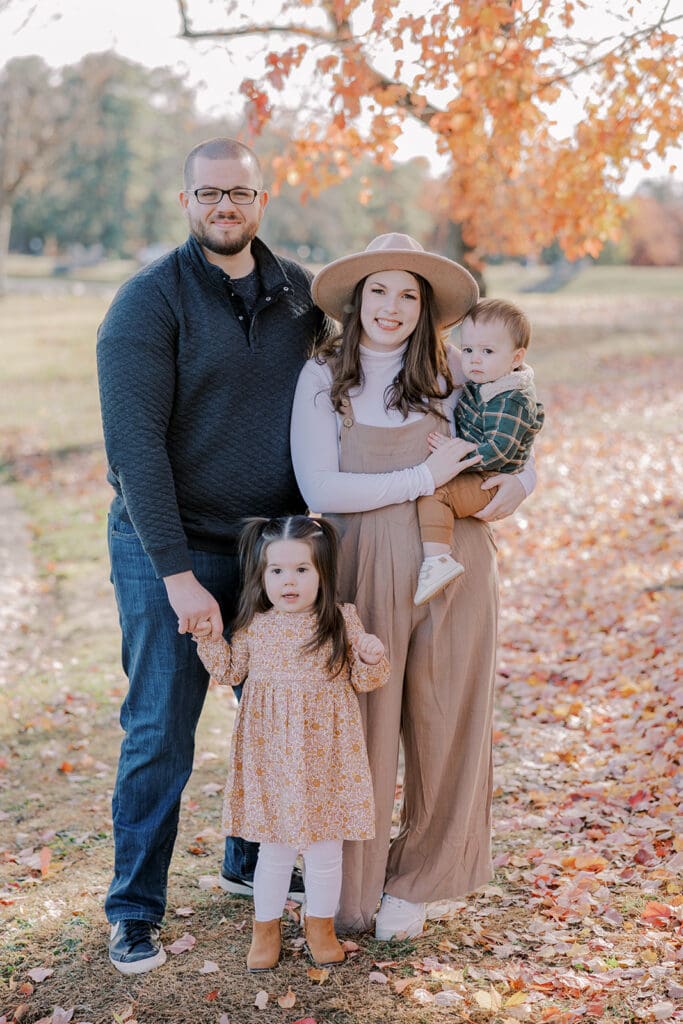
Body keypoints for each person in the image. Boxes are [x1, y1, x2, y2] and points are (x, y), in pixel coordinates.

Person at [96, 137, 335, 974]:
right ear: (187, 199)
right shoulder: (147, 303)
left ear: (261, 199)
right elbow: (133, 451)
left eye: (238, 192)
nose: (223, 206)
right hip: (168, 543)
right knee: (162, 726)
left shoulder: (302, 296)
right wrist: (176, 576)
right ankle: (133, 908)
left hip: (268, 552)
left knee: (272, 717)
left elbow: (364, 377)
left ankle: (246, 861)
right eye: (208, 193)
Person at [290, 233, 536, 939]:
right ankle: (353, 885)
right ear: (355, 299)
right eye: (378, 291)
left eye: (407, 294)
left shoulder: (453, 371)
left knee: (442, 718)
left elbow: (521, 453)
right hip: (359, 568)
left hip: (449, 567)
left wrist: (506, 490)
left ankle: (421, 879)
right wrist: (425, 480)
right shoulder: (320, 378)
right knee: (359, 728)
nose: (392, 307)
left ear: (424, 306)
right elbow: (319, 486)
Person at [192, 515, 388, 971]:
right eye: (276, 571)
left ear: (323, 574)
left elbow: (365, 679)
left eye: (302, 570)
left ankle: (320, 927)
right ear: (262, 576)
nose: (289, 581)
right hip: (272, 756)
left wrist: (372, 656)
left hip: (327, 756)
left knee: (324, 848)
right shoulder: (254, 625)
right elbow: (228, 672)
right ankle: (266, 929)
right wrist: (208, 639)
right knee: (274, 848)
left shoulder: (342, 619)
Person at [413, 298, 545, 605]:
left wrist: (457, 456)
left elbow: (501, 449)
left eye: (487, 351)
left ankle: (438, 560)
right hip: (482, 468)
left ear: (517, 358)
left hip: (489, 476)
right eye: (468, 349)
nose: (473, 359)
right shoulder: (484, 379)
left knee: (437, 495)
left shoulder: (509, 398)